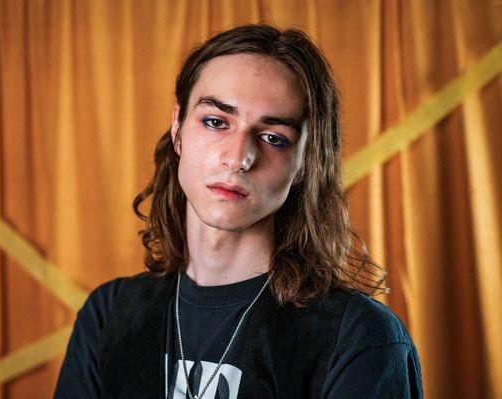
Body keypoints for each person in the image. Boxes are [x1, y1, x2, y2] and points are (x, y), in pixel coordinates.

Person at [54, 24, 423, 399]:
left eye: (273, 138)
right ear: (178, 127)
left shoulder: (360, 337)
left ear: (305, 164)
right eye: (216, 122)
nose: (239, 157)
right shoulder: (109, 315)